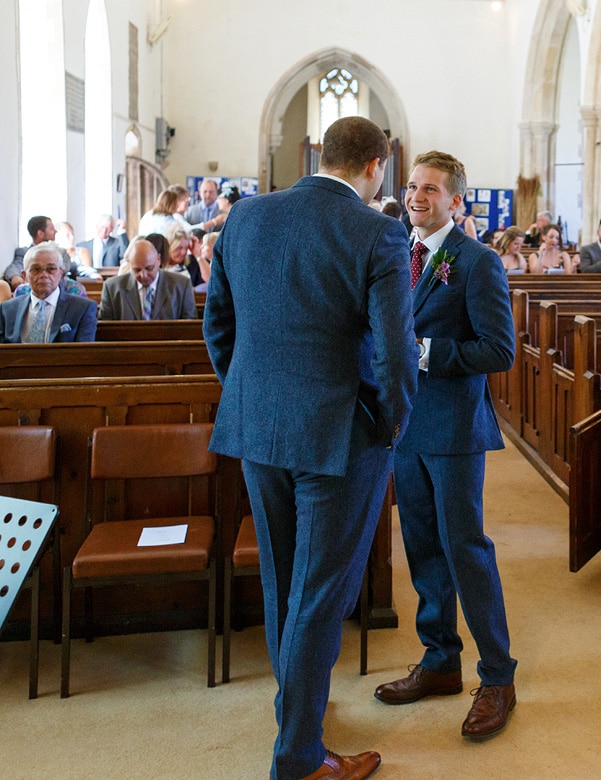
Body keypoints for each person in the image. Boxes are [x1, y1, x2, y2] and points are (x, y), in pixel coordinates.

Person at [204, 116, 416, 780]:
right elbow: (396, 353)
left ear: (322, 156)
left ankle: (297, 714)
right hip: (338, 437)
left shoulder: (245, 217)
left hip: (258, 430)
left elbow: (219, 326)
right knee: (320, 593)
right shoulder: (379, 230)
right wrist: (390, 426)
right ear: (376, 166)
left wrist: (250, 395)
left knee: (284, 581)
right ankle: (297, 755)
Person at [373, 150, 519, 743]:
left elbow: (499, 350)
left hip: (455, 431)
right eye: (411, 187)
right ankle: (439, 662)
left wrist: (427, 352)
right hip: (407, 429)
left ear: (457, 201)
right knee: (424, 549)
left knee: (466, 550)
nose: (416, 197)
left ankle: (498, 676)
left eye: (430, 190)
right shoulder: (395, 255)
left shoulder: (477, 263)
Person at [0, 242, 97, 343]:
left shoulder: (82, 308)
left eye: (51, 269)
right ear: (24, 276)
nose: (44, 275)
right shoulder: (7, 309)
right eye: (36, 269)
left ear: (61, 273)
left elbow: (84, 354)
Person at [99, 238, 196, 320]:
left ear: (158, 259)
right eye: (137, 270)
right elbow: (106, 330)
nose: (143, 275)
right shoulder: (112, 288)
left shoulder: (181, 285)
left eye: (149, 268)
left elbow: (189, 327)